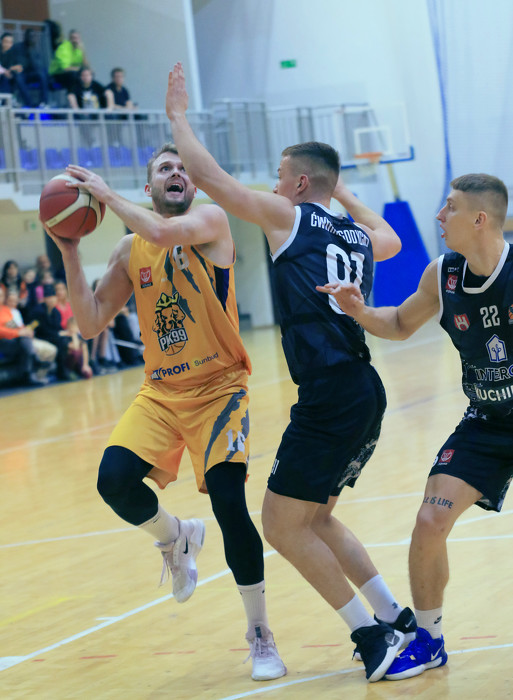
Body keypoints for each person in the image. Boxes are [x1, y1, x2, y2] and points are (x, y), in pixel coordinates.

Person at [165, 62, 415, 684]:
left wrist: (177, 116)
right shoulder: (357, 235)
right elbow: (389, 238)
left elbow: (209, 178)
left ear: (300, 183)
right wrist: (341, 194)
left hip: (329, 393)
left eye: (280, 176)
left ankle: (372, 637)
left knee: (280, 523)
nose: (273, 186)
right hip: (363, 387)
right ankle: (397, 617)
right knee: (317, 519)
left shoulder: (290, 217)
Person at [41, 143, 287, 682]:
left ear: (191, 186)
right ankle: (175, 535)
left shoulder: (210, 221)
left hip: (220, 389)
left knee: (229, 504)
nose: (177, 173)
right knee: (113, 481)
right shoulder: (129, 250)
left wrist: (105, 195)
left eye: (182, 169)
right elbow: (90, 322)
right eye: (165, 169)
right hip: (162, 392)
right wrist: (70, 251)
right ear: (150, 186)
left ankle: (260, 634)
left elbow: (161, 231)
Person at [316, 173, 513, 680]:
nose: (440, 215)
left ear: (480, 218)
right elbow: (401, 324)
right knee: (429, 522)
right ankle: (429, 640)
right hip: (487, 422)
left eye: (450, 207)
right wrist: (359, 310)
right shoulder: (442, 274)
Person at [0, 286, 54, 386]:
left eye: (1, 296)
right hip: (3, 342)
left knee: (24, 340)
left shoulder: (5, 310)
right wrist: (18, 333)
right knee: (24, 341)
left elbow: (16, 326)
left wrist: (25, 331)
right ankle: (34, 360)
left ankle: (30, 370)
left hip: (15, 339)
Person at [12, 28, 50, 107]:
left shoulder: (34, 49)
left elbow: (37, 66)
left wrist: (31, 52)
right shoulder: (18, 47)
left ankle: (44, 102)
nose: (31, 38)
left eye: (33, 36)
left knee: (42, 74)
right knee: (19, 78)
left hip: (32, 74)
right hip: (22, 73)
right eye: (29, 36)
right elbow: (20, 63)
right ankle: (29, 103)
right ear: (25, 36)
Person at [0, 32, 33, 107]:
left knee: (18, 77)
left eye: (10, 42)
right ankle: (6, 102)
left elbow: (20, 67)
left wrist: (11, 69)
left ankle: (28, 104)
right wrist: (5, 71)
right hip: (2, 76)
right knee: (5, 78)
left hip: (11, 76)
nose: (8, 44)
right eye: (6, 42)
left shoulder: (14, 53)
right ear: (1, 42)